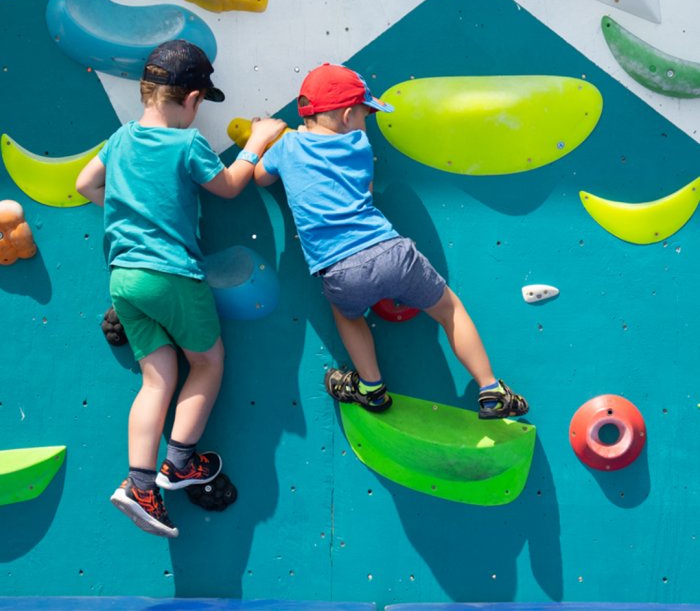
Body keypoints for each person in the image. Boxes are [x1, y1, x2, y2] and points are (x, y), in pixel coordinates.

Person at [76, 39, 286, 538]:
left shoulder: (120, 139)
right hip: (171, 274)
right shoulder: (186, 144)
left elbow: (86, 184)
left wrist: (130, 209)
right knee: (208, 362)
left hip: (124, 278)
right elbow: (230, 186)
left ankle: (139, 485)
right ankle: (180, 462)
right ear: (192, 99)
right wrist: (258, 140)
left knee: (157, 380)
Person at [254, 63, 528, 419]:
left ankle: (371, 387)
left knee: (346, 315)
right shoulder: (359, 144)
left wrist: (267, 142)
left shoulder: (288, 146)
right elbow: (365, 190)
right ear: (349, 115)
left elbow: (261, 178)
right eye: (365, 115)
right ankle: (491, 390)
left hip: (338, 269)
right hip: (389, 250)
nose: (366, 123)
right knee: (449, 311)